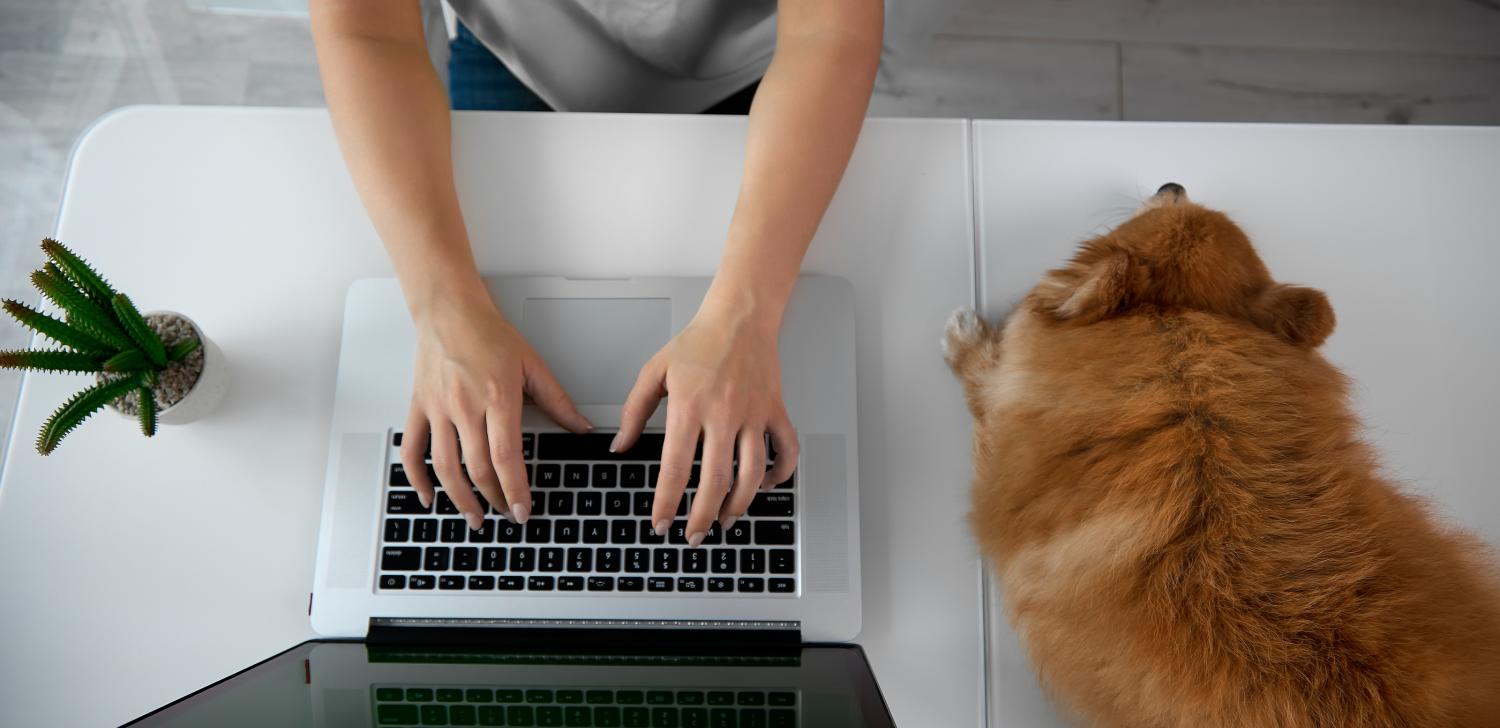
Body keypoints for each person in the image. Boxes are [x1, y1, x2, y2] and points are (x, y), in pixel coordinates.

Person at [309, 0, 882, 549]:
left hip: (751, 68)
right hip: (518, 57)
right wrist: (443, 309)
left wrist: (746, 317)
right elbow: (366, 29)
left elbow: (829, 31)